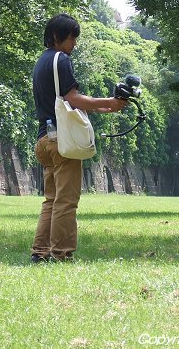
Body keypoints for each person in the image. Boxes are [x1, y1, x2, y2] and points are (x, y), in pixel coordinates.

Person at [31, 13, 127, 263]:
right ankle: (61, 254)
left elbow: (64, 100)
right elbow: (72, 98)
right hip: (61, 142)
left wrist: (101, 107)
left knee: (51, 200)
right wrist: (110, 102)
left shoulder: (41, 62)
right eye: (71, 37)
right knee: (67, 201)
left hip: (44, 139)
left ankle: (40, 251)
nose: (74, 43)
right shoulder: (61, 60)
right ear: (56, 37)